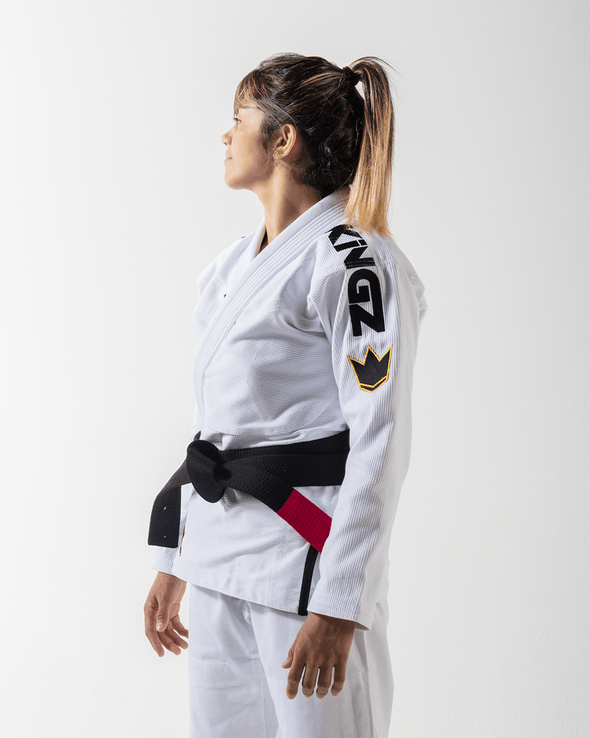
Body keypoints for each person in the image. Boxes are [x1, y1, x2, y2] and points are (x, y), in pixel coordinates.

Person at [144, 53, 428, 738]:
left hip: (304, 566)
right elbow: (216, 431)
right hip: (220, 560)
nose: (225, 134)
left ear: (283, 139)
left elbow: (380, 438)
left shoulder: (356, 264)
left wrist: (341, 602)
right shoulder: (226, 269)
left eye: (238, 119)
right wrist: (175, 556)